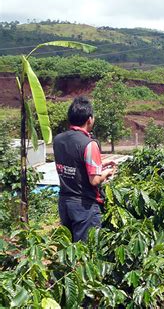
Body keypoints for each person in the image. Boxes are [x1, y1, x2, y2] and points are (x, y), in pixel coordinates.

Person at [53, 96, 116, 242]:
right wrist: (107, 173)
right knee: (87, 251)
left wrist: (101, 165)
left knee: (70, 248)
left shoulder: (58, 140)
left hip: (65, 202)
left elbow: (75, 164)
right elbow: (94, 180)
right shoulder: (89, 144)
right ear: (89, 119)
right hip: (85, 205)